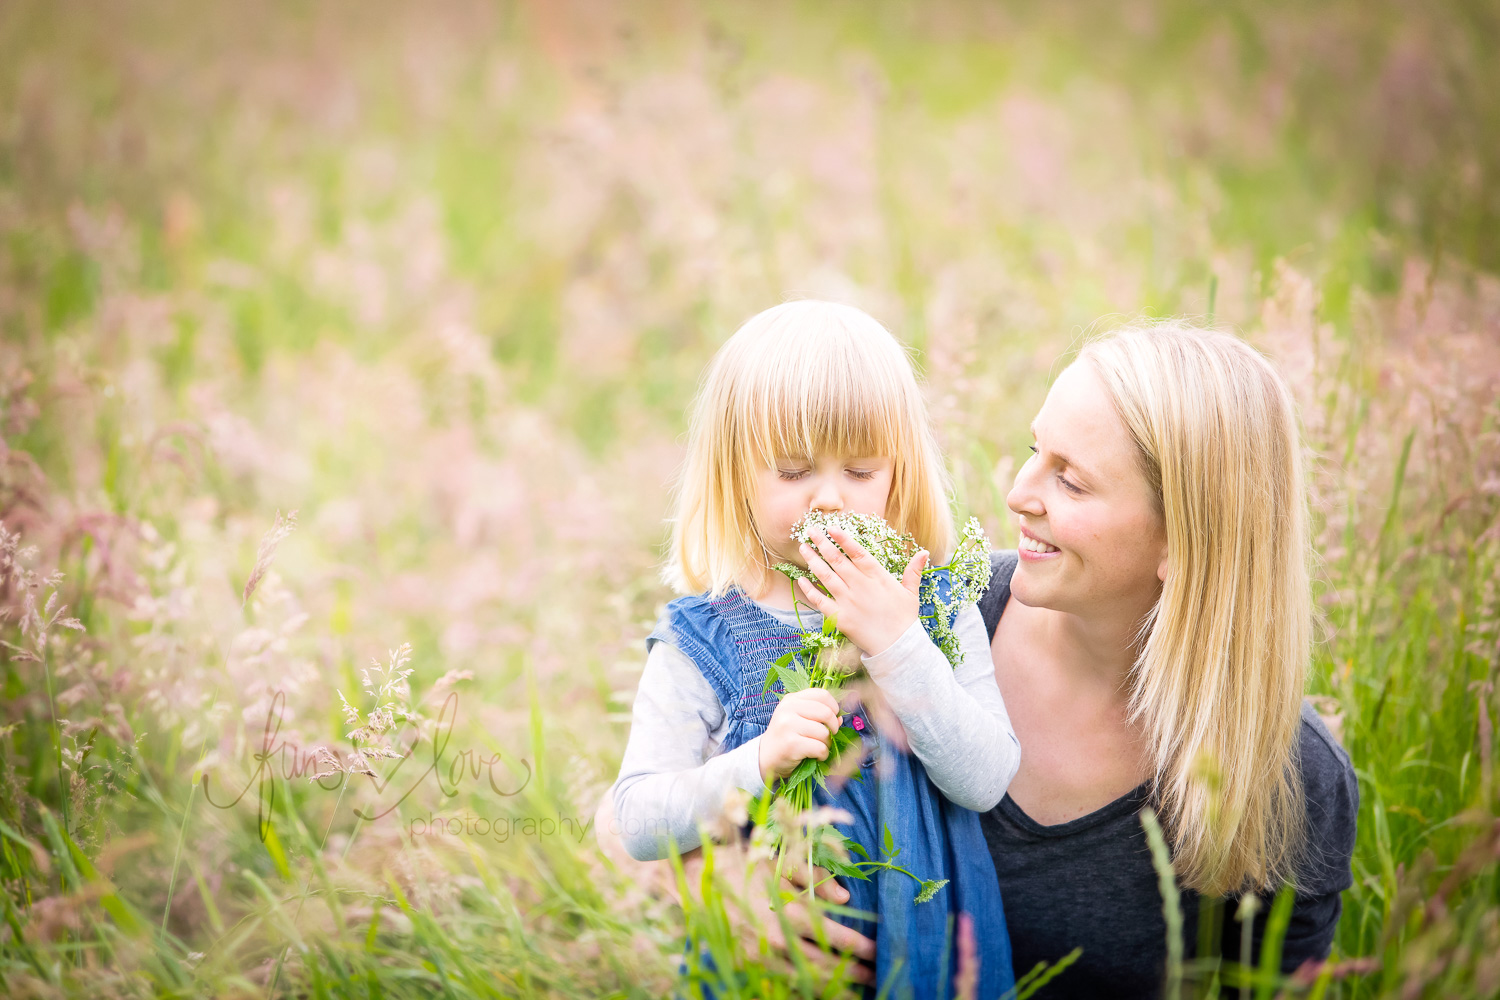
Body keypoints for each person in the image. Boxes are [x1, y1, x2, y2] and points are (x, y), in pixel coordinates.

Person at [595, 319, 1357, 998]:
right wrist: (716, 884)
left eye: (1072, 479)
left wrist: (897, 648)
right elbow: (631, 813)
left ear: (1180, 544)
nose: (1019, 492)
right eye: (1035, 450)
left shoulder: (1289, 775)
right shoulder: (957, 599)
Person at [606, 300, 1021, 998]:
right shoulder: (703, 637)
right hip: (770, 971)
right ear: (736, 475)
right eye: (794, 472)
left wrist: (898, 644)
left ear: (899, 473)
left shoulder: (937, 610)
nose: (829, 498)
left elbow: (984, 778)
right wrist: (756, 762)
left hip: (932, 965)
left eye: (861, 471)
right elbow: (640, 821)